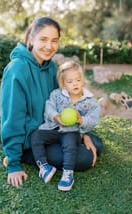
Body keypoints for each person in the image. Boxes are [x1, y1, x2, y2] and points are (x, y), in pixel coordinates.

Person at [0, 16, 103, 187]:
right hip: (32, 140)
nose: (49, 46)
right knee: (84, 159)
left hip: (54, 128)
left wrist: (83, 135)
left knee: (95, 144)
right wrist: (13, 165)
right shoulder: (16, 70)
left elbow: (64, 103)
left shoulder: (51, 67)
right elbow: (12, 119)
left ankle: (81, 139)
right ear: (31, 39)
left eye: (54, 40)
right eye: (43, 39)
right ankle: (23, 156)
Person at [30, 61, 101, 191]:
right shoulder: (57, 95)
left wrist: (81, 120)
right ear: (63, 84)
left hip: (72, 132)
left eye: (78, 80)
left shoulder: (90, 101)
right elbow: (49, 107)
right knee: (36, 136)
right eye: (70, 81)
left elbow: (94, 119)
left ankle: (68, 173)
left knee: (69, 145)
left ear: (83, 80)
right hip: (54, 129)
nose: (75, 84)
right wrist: (56, 116)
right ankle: (45, 166)